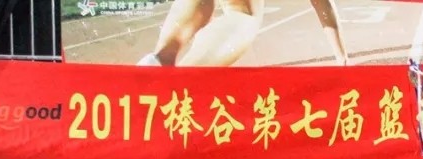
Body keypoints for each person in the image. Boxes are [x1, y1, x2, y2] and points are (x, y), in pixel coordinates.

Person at [138, 0, 347, 67]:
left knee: (162, 57)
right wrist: (342, 59)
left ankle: (153, 67)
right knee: (245, 17)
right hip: (240, 14)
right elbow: (322, 4)